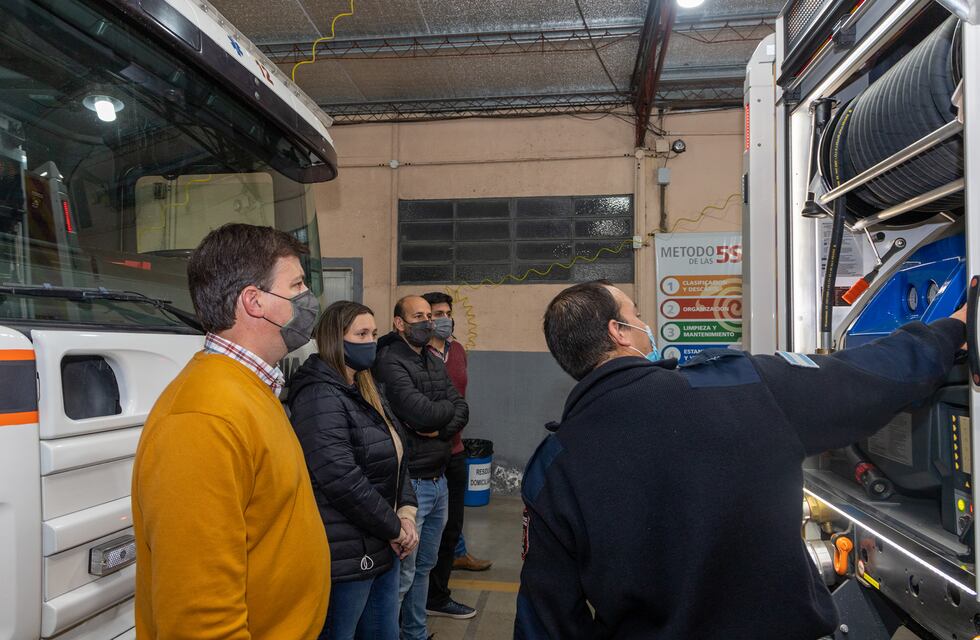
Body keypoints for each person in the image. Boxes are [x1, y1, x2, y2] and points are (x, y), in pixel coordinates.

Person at [516, 279, 968, 640]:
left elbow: (547, 618)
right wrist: (954, 328)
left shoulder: (551, 467)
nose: (644, 324)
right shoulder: (741, 386)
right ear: (619, 332)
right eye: (636, 314)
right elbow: (869, 379)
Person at [132, 223, 329, 639]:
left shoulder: (247, 388)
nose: (307, 299)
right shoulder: (203, 417)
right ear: (255, 302)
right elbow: (198, 618)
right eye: (296, 285)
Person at [288, 301, 421, 640]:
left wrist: (406, 513)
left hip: (381, 543)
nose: (371, 342)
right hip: (345, 556)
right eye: (361, 334)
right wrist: (395, 527)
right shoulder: (318, 395)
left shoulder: (365, 387)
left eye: (374, 334)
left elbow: (398, 455)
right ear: (335, 339)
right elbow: (340, 478)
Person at [373, 295, 469, 640]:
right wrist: (437, 418)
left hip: (439, 476)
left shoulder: (430, 358)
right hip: (412, 483)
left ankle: (414, 633)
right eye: (420, 316)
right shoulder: (389, 361)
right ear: (399, 323)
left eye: (431, 316)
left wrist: (438, 426)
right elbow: (420, 414)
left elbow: (460, 407)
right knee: (403, 575)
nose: (428, 322)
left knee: (424, 568)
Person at [422, 291, 491, 620]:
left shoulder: (458, 350)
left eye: (448, 312)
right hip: (425, 456)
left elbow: (460, 400)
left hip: (455, 451)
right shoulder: (415, 354)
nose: (444, 318)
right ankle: (414, 600)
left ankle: (438, 595)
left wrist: (451, 428)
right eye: (437, 313)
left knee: (451, 529)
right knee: (423, 532)